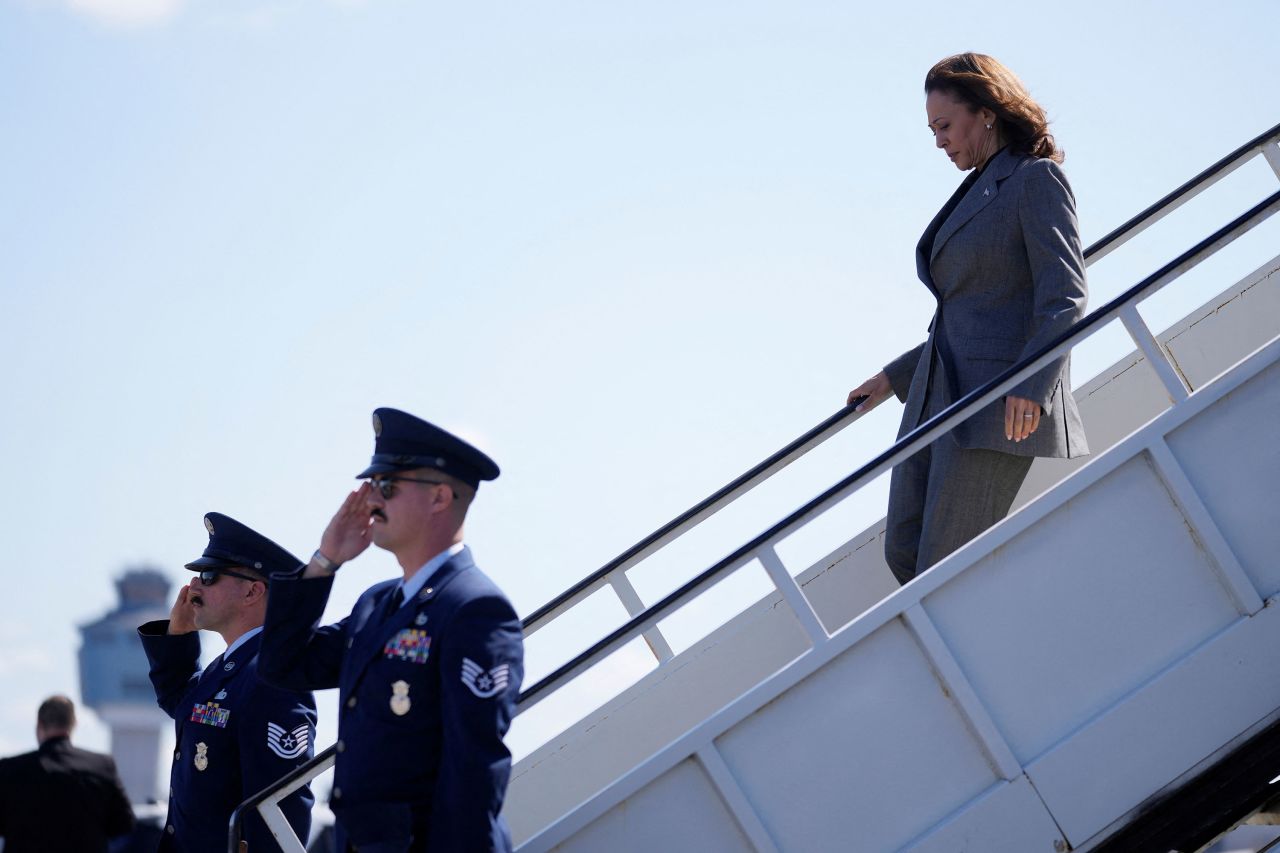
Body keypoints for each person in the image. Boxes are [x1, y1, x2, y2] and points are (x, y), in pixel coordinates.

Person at [846, 52, 1089, 585]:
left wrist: (1032, 384)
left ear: (986, 112)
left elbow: (1065, 295)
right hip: (936, 394)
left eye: (945, 126)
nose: (939, 141)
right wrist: (895, 377)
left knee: (944, 567)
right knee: (903, 551)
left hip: (996, 406)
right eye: (932, 130)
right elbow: (974, 306)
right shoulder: (976, 188)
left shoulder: (1035, 180)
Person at [259, 407, 524, 853]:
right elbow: (285, 665)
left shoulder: (475, 608)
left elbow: (473, 769)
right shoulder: (377, 605)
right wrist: (325, 562)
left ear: (440, 497)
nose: (371, 500)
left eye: (386, 486)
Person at [139, 512, 317, 852]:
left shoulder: (271, 675)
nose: (193, 587)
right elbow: (182, 704)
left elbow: (278, 807)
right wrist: (178, 636)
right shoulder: (227, 668)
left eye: (208, 576)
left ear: (252, 592)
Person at [0, 695, 135, 853]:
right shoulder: (102, 765)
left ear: (39, 725)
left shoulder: (9, 768)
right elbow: (124, 823)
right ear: (73, 725)